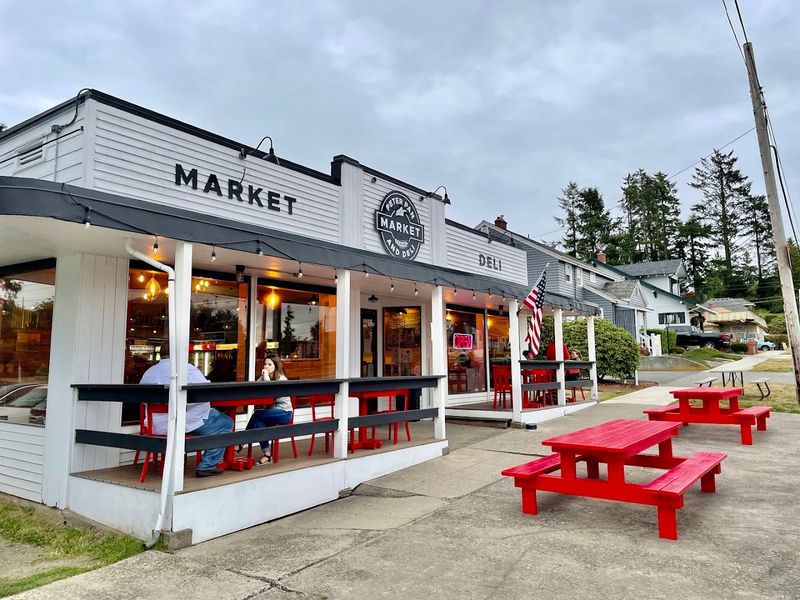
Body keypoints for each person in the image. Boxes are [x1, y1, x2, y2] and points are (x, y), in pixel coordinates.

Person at [139, 342, 233, 478]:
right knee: (226, 423)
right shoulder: (186, 369)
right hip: (181, 422)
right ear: (179, 354)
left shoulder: (150, 372)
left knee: (215, 419)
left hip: (154, 426)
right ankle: (207, 465)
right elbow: (205, 391)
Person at [245, 354, 292, 465]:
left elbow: (270, 393)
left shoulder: (282, 379)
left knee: (257, 414)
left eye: (269, 364)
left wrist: (265, 377)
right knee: (260, 421)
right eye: (265, 364)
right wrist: (262, 377)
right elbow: (255, 386)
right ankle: (267, 453)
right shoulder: (267, 377)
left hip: (284, 413)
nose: (266, 366)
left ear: (276, 366)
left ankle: (242, 441)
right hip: (272, 412)